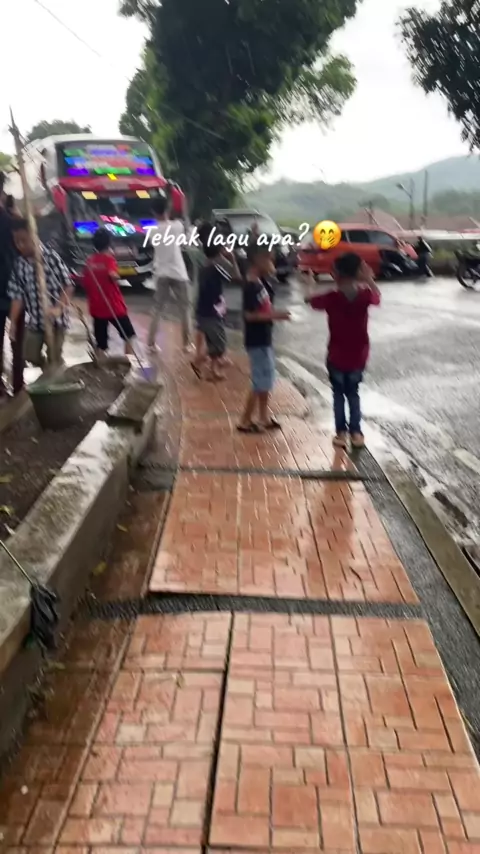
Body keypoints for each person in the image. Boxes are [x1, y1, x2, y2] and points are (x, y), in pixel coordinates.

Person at [303, 252, 381, 449]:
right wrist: (368, 279)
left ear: (336, 275)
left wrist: (310, 283)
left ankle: (341, 433)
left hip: (336, 356)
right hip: (358, 356)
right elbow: (377, 297)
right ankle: (356, 433)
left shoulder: (331, 297)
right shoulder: (365, 295)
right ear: (358, 273)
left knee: (338, 395)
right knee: (353, 394)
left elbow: (309, 299)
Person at [238, 241, 290, 433]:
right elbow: (249, 315)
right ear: (258, 259)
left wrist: (271, 272)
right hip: (257, 339)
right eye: (269, 258)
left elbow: (269, 297)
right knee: (259, 380)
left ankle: (263, 416)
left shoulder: (261, 281)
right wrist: (275, 315)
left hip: (264, 338)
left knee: (266, 379)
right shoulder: (251, 285)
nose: (272, 262)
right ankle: (245, 420)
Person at [8, 217, 72, 369]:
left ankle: (56, 370)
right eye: (16, 242)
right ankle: (49, 370)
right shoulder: (19, 265)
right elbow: (17, 297)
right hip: (35, 321)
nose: (20, 246)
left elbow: (68, 286)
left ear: (33, 235)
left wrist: (58, 307)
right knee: (29, 354)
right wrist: (13, 323)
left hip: (56, 322)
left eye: (23, 241)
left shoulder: (51, 258)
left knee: (54, 356)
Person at [191, 223, 240, 382]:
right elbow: (236, 278)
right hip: (210, 313)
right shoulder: (217, 267)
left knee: (213, 341)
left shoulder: (206, 265)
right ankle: (197, 361)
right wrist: (232, 259)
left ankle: (214, 370)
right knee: (219, 343)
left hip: (205, 310)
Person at [147, 194, 192, 352]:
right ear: (168, 208)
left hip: (161, 273)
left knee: (157, 309)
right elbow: (185, 238)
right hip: (178, 273)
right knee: (184, 309)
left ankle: (151, 343)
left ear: (153, 211)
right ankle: (187, 344)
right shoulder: (177, 226)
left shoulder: (152, 231)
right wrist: (183, 210)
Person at [83, 228, 136, 356]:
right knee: (129, 335)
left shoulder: (89, 261)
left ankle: (101, 364)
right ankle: (128, 361)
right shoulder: (109, 260)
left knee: (101, 343)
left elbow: (85, 283)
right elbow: (113, 274)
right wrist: (120, 275)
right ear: (109, 243)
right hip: (114, 307)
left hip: (97, 307)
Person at [0, 175, 24, 397]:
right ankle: (18, 385)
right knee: (18, 339)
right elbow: (27, 238)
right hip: (14, 284)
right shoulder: (11, 220)